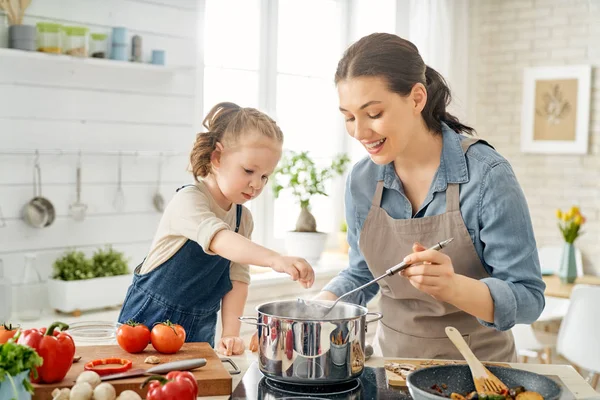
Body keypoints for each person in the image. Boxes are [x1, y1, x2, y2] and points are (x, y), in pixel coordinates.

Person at [315, 33, 545, 362]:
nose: (360, 133)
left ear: (417, 98)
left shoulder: (488, 176)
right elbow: (364, 272)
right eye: (349, 118)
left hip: (478, 375)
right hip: (392, 369)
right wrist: (322, 307)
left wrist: (454, 287)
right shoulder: (362, 180)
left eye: (374, 113)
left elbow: (529, 297)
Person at [118, 102, 315, 356]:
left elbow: (237, 277)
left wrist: (230, 332)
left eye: (265, 176)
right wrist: (275, 259)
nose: (256, 184)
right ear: (217, 157)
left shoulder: (243, 218)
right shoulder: (189, 201)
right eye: (248, 170)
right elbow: (220, 240)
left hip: (200, 326)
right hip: (147, 321)